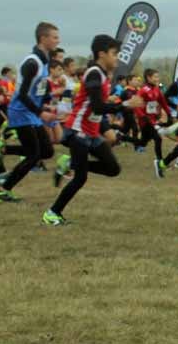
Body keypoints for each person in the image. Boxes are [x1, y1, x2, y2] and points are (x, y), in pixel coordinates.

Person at [44, 35, 143, 225]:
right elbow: (97, 107)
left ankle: (70, 163)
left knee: (113, 168)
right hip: (77, 131)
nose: (117, 58)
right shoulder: (95, 73)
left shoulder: (103, 75)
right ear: (102, 54)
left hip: (90, 131)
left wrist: (113, 104)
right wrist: (124, 105)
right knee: (80, 178)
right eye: (115, 54)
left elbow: (95, 105)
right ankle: (52, 213)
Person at [0, 22, 60, 202]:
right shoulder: (32, 63)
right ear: (43, 38)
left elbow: (39, 89)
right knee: (33, 156)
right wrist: (40, 113)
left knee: (46, 151)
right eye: (54, 37)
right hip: (21, 111)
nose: (58, 40)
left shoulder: (44, 61)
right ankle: (2, 189)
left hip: (32, 112)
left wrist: (47, 104)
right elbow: (22, 94)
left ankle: (3, 148)